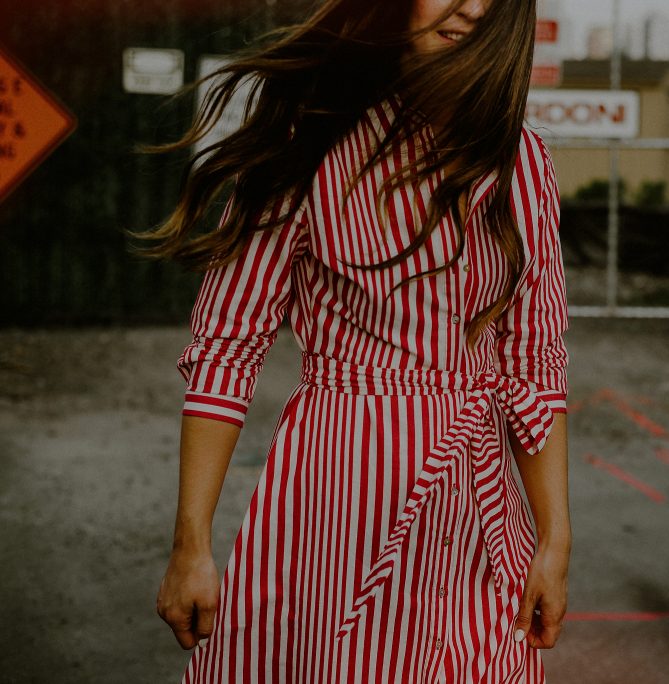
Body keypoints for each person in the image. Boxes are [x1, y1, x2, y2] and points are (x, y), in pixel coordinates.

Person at [147, 1, 571, 681]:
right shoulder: (307, 138)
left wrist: (555, 540)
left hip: (478, 504)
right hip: (339, 493)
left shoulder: (521, 156)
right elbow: (228, 349)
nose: (471, 5)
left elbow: (536, 361)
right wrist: (190, 545)